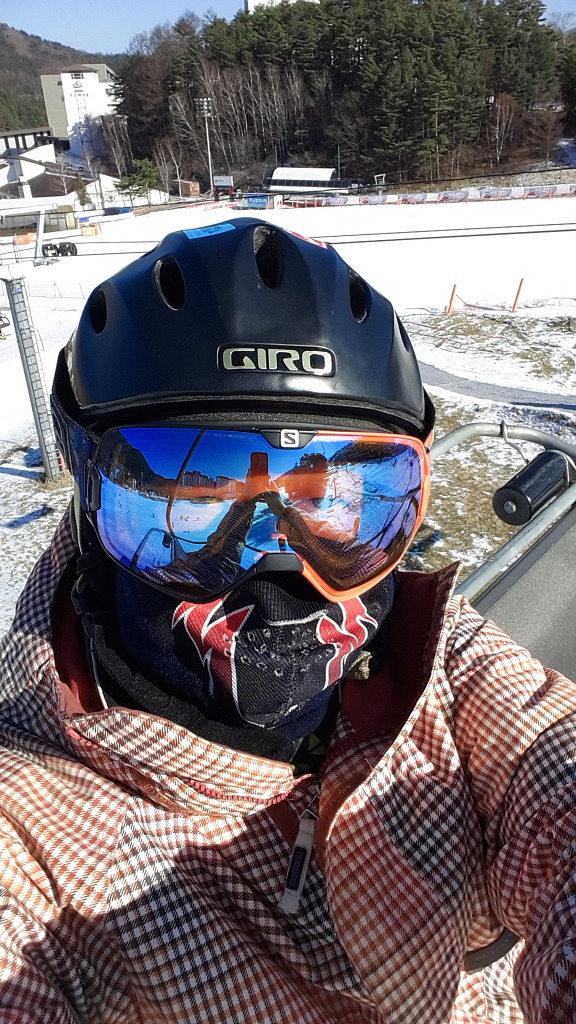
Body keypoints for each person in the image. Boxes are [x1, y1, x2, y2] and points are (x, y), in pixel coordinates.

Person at [0, 217, 575, 1024]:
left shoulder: (436, 668)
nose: (279, 575)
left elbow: (553, 768)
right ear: (92, 499)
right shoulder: (34, 839)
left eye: (330, 498)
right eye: (197, 498)